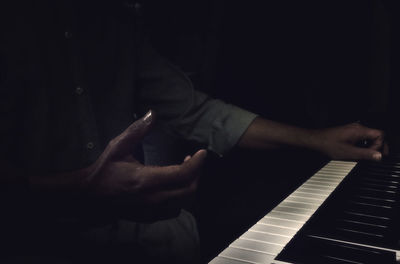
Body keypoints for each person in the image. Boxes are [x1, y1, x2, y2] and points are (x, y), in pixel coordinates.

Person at [0, 1, 386, 263]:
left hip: (144, 237)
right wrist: (79, 187)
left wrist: (316, 139)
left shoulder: (111, 22)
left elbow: (195, 111)